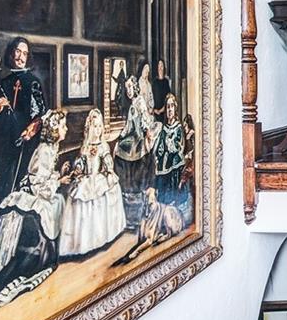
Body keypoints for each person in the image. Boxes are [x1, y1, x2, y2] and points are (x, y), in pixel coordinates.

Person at [0, 110, 68, 309]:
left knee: (59, 201)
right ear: (53, 130)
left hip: (40, 192)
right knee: (56, 202)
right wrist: (59, 180)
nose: (65, 128)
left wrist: (59, 175)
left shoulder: (51, 149)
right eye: (62, 126)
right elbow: (38, 186)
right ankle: (41, 259)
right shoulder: (43, 150)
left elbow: (46, 177)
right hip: (31, 198)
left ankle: (53, 253)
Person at [0, 37, 46, 226]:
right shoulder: (4, 82)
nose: (20, 57)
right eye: (17, 52)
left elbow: (40, 116)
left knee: (17, 190)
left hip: (22, 145)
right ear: (11, 53)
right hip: (1, 145)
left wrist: (30, 129)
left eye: (24, 53)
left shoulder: (32, 82)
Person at [59, 109, 126, 259]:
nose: (97, 130)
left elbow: (108, 164)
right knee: (79, 196)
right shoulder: (85, 147)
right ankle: (82, 243)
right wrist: (78, 168)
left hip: (100, 178)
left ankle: (102, 237)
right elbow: (81, 163)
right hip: (87, 178)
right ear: (89, 128)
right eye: (94, 126)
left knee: (103, 194)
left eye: (99, 126)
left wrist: (107, 170)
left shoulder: (103, 146)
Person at [112, 61, 158, 201]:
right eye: (127, 88)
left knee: (128, 149)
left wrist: (146, 133)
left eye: (130, 87)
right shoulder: (132, 104)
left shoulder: (140, 102)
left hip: (140, 137)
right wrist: (120, 136)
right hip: (133, 135)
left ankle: (134, 188)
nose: (128, 90)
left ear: (135, 87)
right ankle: (126, 187)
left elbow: (145, 120)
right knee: (119, 147)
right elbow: (129, 126)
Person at [151, 92, 190, 208]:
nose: (169, 109)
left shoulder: (178, 128)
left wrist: (170, 145)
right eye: (167, 107)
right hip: (163, 165)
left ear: (175, 108)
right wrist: (157, 154)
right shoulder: (163, 128)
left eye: (172, 106)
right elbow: (159, 146)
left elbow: (179, 147)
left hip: (174, 165)